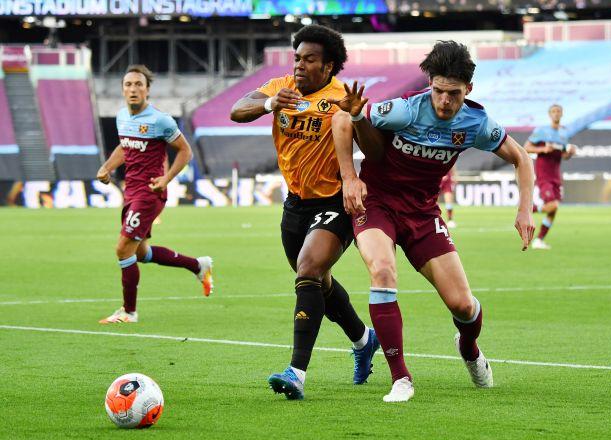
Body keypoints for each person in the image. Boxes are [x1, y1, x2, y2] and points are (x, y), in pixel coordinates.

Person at [330, 40, 535, 402]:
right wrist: (349, 176)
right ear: (430, 85)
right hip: (377, 203)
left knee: (463, 306)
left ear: (468, 90)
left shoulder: (476, 122)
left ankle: (469, 348)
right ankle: (401, 379)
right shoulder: (404, 110)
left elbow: (522, 158)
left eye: (453, 94)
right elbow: (344, 118)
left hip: (423, 214)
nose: (444, 101)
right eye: (438, 91)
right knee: (382, 270)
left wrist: (524, 209)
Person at [230, 25, 379, 400]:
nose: (299, 65)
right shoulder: (281, 88)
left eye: (309, 59)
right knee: (318, 283)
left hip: (333, 203)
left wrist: (359, 120)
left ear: (328, 66)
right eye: (297, 58)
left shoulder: (342, 98)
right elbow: (237, 110)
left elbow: (375, 150)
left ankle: (296, 372)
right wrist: (269, 104)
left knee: (309, 269)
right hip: (295, 204)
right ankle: (363, 340)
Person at [97, 64, 213, 324]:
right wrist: (106, 167)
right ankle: (197, 265)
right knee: (139, 253)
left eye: (139, 84)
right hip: (131, 192)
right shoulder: (121, 117)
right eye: (128, 84)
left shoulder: (160, 120)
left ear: (147, 90)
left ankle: (129, 312)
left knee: (123, 248)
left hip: (150, 193)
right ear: (123, 90)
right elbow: (124, 147)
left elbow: (185, 151)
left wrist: (167, 178)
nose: (133, 89)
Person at [524, 104, 577, 250]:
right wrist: (542, 149)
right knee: (553, 205)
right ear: (549, 114)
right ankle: (528, 209)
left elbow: (564, 156)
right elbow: (526, 147)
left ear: (562, 114)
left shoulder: (564, 133)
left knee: (554, 209)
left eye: (558, 111)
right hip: (544, 174)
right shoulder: (541, 131)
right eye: (553, 111)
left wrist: (570, 152)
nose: (556, 114)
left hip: (556, 175)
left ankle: (539, 240)